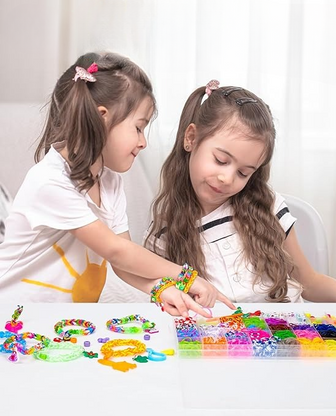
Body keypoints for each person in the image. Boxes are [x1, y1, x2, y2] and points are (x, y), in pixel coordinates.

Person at [0, 54, 235, 317]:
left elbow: (121, 263)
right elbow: (117, 250)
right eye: (138, 128)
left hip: (58, 324)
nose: (143, 142)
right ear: (103, 118)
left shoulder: (110, 182)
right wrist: (187, 276)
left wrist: (160, 288)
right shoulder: (50, 182)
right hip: (10, 317)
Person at [144, 80, 336, 306]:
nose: (227, 178)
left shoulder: (268, 207)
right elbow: (161, 295)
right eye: (221, 160)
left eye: (244, 173)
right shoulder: (167, 228)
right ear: (191, 138)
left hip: (285, 338)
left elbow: (308, 281)